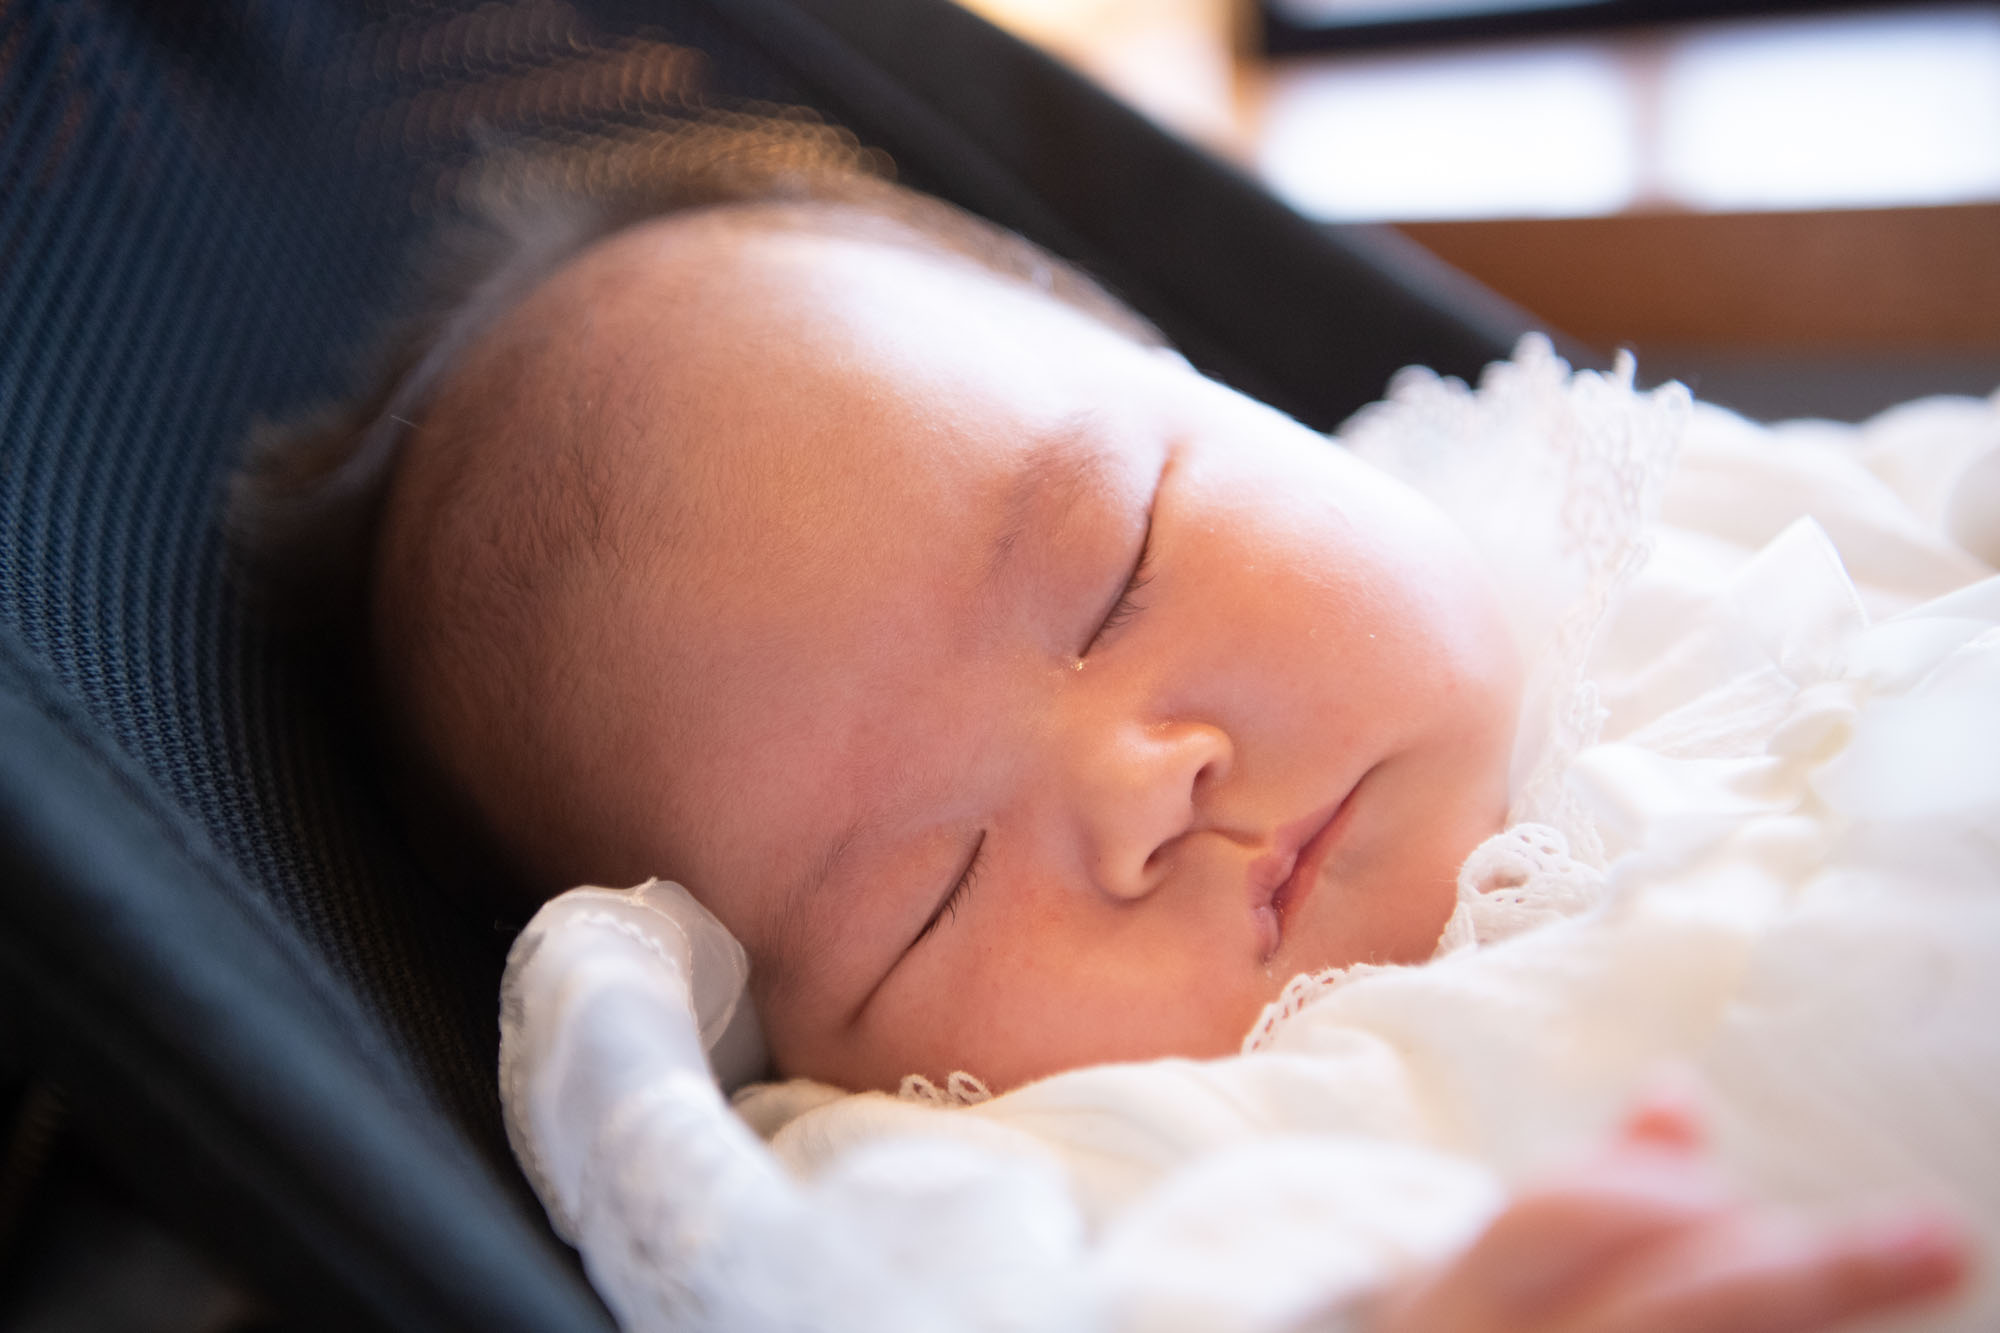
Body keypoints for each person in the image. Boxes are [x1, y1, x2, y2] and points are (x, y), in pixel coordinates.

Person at [234, 132, 1986, 1331]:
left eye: (1119, 569)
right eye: (933, 889)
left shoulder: (1625, 517)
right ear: (790, 1045)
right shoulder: (1049, 1172)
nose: (1147, 784)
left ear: (1217, 389)